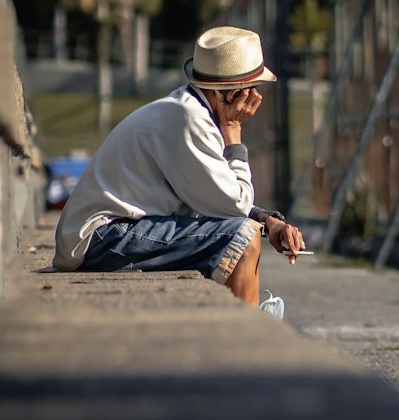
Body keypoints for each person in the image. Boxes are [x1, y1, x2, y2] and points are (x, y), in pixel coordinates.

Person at [52, 26, 304, 317]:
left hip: (107, 234)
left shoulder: (190, 111)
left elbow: (214, 195)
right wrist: (234, 134)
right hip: (101, 238)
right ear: (234, 93)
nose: (255, 99)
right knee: (242, 237)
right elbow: (234, 206)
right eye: (253, 90)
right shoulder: (190, 120)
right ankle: (246, 334)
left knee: (244, 230)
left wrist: (269, 221)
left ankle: (236, 326)